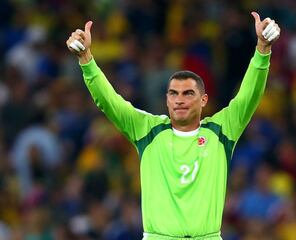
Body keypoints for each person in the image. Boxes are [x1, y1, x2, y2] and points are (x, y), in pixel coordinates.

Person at [66, 11, 280, 240]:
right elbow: (110, 102)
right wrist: (86, 59)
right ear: (167, 99)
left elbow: (249, 95)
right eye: (173, 94)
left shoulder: (221, 130)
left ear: (204, 100)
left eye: (188, 93)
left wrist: (263, 49)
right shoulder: (147, 130)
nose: (179, 100)